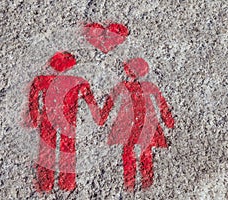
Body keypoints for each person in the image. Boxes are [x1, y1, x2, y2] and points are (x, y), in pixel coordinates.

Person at [28, 51, 112, 191]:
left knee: (47, 150)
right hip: (67, 120)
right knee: (67, 151)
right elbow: (91, 102)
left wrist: (34, 116)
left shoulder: (43, 80)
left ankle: (45, 184)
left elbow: (33, 96)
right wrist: (99, 115)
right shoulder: (78, 81)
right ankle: (66, 184)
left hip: (49, 118)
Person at [107, 58, 175, 190]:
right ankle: (144, 183)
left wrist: (102, 117)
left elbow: (109, 104)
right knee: (143, 150)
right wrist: (169, 122)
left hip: (128, 123)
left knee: (130, 151)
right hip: (143, 122)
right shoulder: (148, 87)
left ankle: (131, 184)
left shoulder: (123, 87)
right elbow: (162, 105)